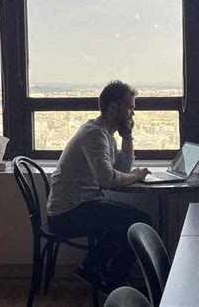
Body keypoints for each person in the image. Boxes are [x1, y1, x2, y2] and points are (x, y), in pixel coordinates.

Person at [46, 80, 151, 292]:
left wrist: (128, 135)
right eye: (130, 107)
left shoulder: (105, 134)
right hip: (68, 212)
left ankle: (94, 269)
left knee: (127, 220)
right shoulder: (95, 134)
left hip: (82, 205)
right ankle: (112, 281)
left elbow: (121, 167)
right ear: (113, 107)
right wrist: (136, 177)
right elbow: (108, 179)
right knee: (141, 221)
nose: (133, 113)